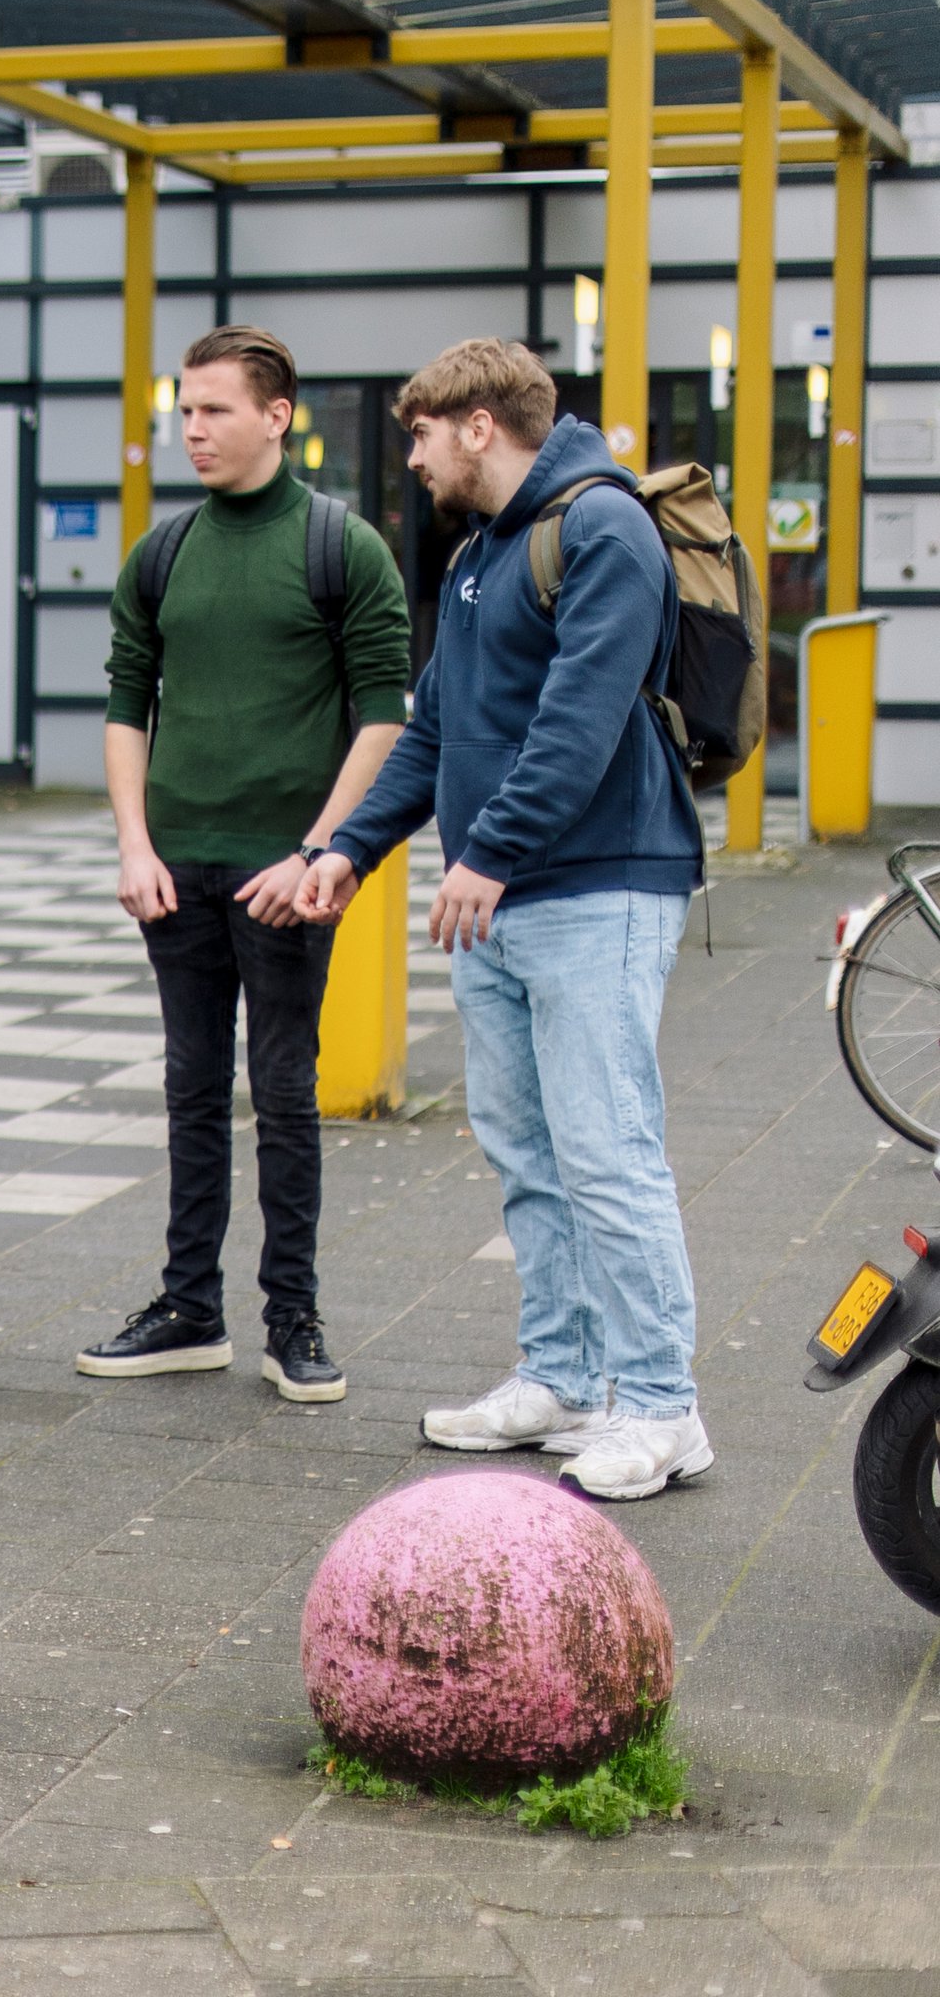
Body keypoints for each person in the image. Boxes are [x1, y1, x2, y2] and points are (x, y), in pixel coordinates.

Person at [300, 338, 711, 1501]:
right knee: (530, 1153)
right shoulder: (481, 553)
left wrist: (489, 852)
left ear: (479, 424)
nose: (413, 457)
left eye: (422, 433)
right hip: (503, 900)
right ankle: (565, 1376)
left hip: (599, 888)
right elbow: (433, 730)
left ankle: (664, 1404)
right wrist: (350, 850)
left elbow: (579, 720)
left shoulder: (604, 531)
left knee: (607, 1150)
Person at [83, 326, 412, 1404]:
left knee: (283, 1092)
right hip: (175, 872)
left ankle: (291, 1317)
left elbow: (385, 715)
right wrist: (133, 844)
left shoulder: (340, 545)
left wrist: (320, 850)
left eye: (214, 409)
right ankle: (189, 1308)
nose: (192, 429)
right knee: (189, 1090)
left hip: (287, 878)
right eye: (185, 409)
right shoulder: (162, 552)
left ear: (276, 416)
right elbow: (127, 703)